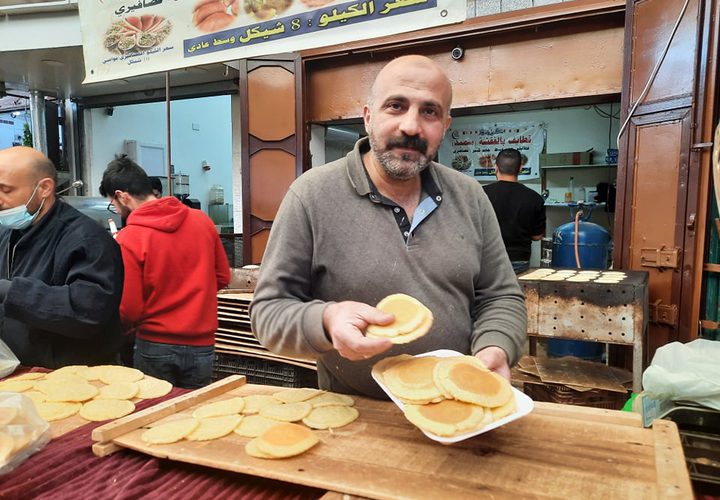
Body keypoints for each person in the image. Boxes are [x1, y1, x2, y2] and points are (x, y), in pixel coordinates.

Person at [250, 55, 527, 399]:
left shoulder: (470, 196)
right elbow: (268, 313)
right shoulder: (312, 196)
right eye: (396, 106)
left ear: (445, 125)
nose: (411, 126)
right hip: (355, 413)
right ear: (368, 117)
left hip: (456, 404)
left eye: (429, 112)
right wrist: (326, 320)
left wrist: (497, 347)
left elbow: (500, 295)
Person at [99, 156, 230, 388]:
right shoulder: (202, 221)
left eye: (114, 204)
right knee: (197, 416)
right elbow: (222, 277)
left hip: (155, 344)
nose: (116, 209)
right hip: (203, 345)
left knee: (155, 418)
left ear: (122, 196)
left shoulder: (130, 237)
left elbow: (130, 308)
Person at [0, 146, 124, 368]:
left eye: (5, 190)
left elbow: (88, 312)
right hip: (21, 371)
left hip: (75, 376)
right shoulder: (8, 234)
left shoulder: (86, 239)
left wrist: (8, 291)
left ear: (44, 188)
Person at [483, 148, 546, 274]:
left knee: (489, 294)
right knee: (518, 293)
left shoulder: (481, 193)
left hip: (487, 259)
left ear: (496, 168)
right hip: (519, 261)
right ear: (520, 169)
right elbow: (537, 236)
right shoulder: (534, 198)